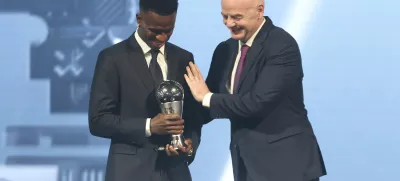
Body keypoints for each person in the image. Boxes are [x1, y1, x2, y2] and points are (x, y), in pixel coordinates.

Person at [184, 0, 327, 180]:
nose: (229, 23)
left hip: (286, 165)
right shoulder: (225, 50)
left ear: (259, 11)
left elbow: (255, 103)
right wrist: (177, 123)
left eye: (236, 17)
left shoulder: (281, 45)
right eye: (224, 16)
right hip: (246, 165)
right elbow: (207, 106)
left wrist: (206, 98)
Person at [88, 0, 202, 180]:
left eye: (168, 30)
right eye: (155, 31)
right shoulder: (112, 58)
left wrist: (189, 145)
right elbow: (98, 120)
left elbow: (194, 117)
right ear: (139, 19)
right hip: (130, 173)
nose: (162, 38)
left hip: (175, 173)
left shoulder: (184, 58)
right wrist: (149, 126)